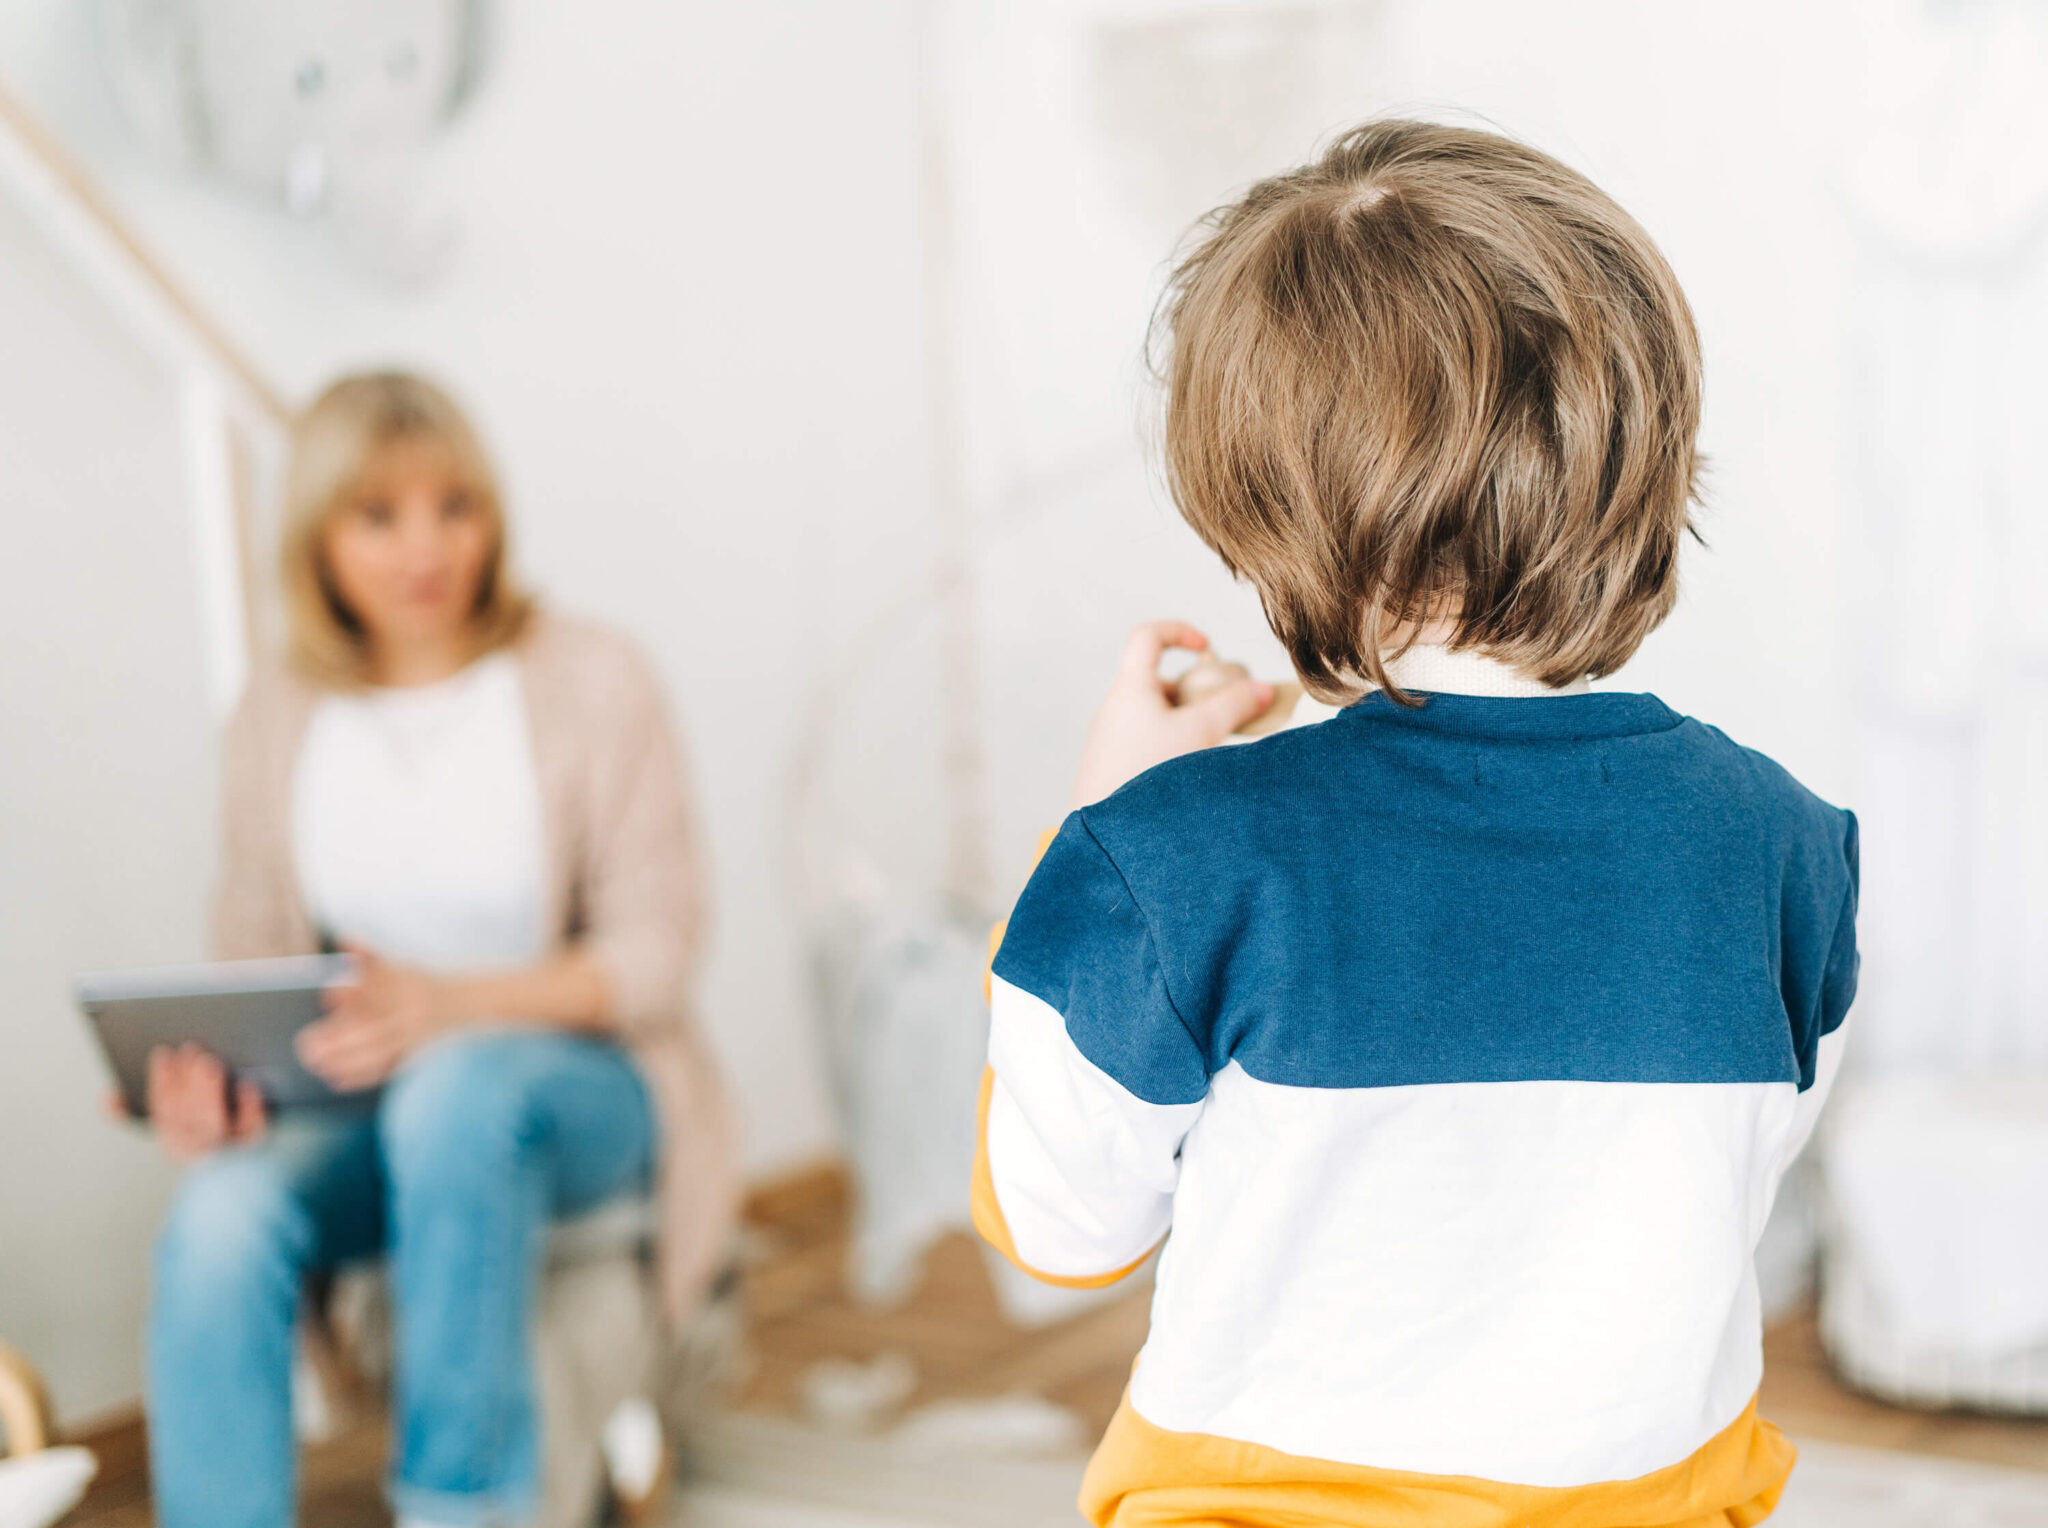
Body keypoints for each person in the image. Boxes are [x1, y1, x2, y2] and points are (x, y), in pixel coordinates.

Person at [973, 121, 1858, 1527]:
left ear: (1267, 514)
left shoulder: (1171, 856)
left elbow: (1062, 1228)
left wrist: (1103, 820)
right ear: (1641, 449)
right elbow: (1714, 1170)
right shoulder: (1788, 847)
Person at [140, 372, 735, 1528]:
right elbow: (256, 965)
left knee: (457, 1092)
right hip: (365, 1108)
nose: (427, 547)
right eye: (379, 516)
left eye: (453, 506)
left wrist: (450, 1007)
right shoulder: (274, 714)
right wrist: (223, 1086)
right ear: (317, 537)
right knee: (220, 1211)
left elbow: (659, 948)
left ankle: (462, 1508)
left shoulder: (593, 675)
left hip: (583, 1091)